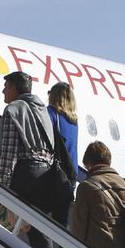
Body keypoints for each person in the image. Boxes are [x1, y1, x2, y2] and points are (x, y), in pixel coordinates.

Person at [0, 71, 62, 248]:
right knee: (38, 228)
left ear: (14, 88)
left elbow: (9, 152)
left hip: (26, 172)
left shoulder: (14, 109)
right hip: (45, 173)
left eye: (6, 87)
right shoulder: (42, 110)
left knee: (0, 223)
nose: (3, 91)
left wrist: (2, 186)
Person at [47, 82, 81, 229]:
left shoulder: (50, 113)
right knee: (61, 222)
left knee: (37, 215)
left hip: (53, 174)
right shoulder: (74, 121)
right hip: (70, 176)